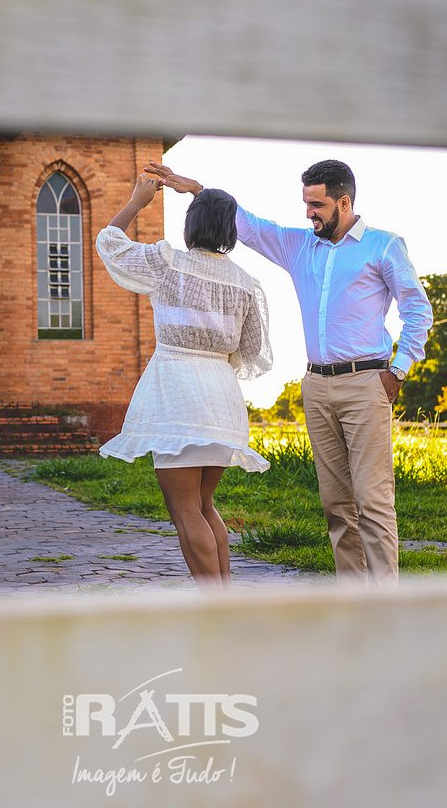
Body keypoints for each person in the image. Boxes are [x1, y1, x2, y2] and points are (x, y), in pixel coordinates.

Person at [146, 159, 432, 584]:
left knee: (373, 502)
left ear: (344, 202)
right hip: (316, 385)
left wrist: (399, 370)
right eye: (306, 204)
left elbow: (417, 310)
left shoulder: (384, 246)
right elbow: (251, 227)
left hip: (367, 382)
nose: (308, 213)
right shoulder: (300, 246)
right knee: (336, 505)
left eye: (317, 205)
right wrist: (198, 191)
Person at [95, 173, 272, 588]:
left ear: (190, 225)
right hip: (222, 396)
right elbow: (251, 352)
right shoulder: (245, 283)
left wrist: (137, 202)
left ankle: (213, 606)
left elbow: (109, 243)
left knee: (185, 510)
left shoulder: (168, 263)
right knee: (205, 504)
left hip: (179, 396)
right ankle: (223, 599)